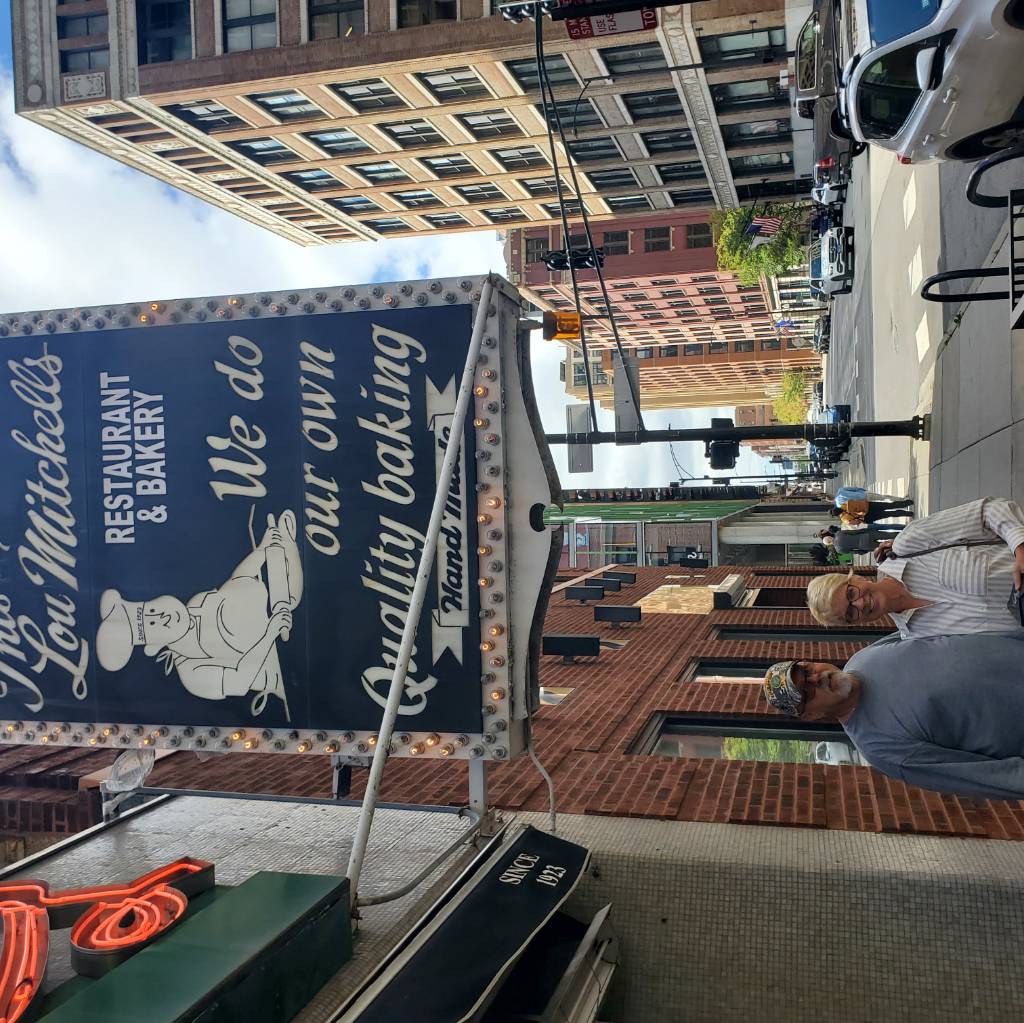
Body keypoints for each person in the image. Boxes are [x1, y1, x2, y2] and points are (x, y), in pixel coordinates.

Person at [762, 635, 1024, 800]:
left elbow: (950, 635)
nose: (816, 679)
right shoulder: (879, 748)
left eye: (807, 670)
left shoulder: (866, 656)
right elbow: (992, 777)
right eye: (807, 692)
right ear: (813, 714)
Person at [807, 496, 1024, 637]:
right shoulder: (918, 637)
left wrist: (1020, 548)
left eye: (851, 593)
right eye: (850, 612)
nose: (860, 603)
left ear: (855, 578)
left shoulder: (909, 544)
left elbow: (988, 511)